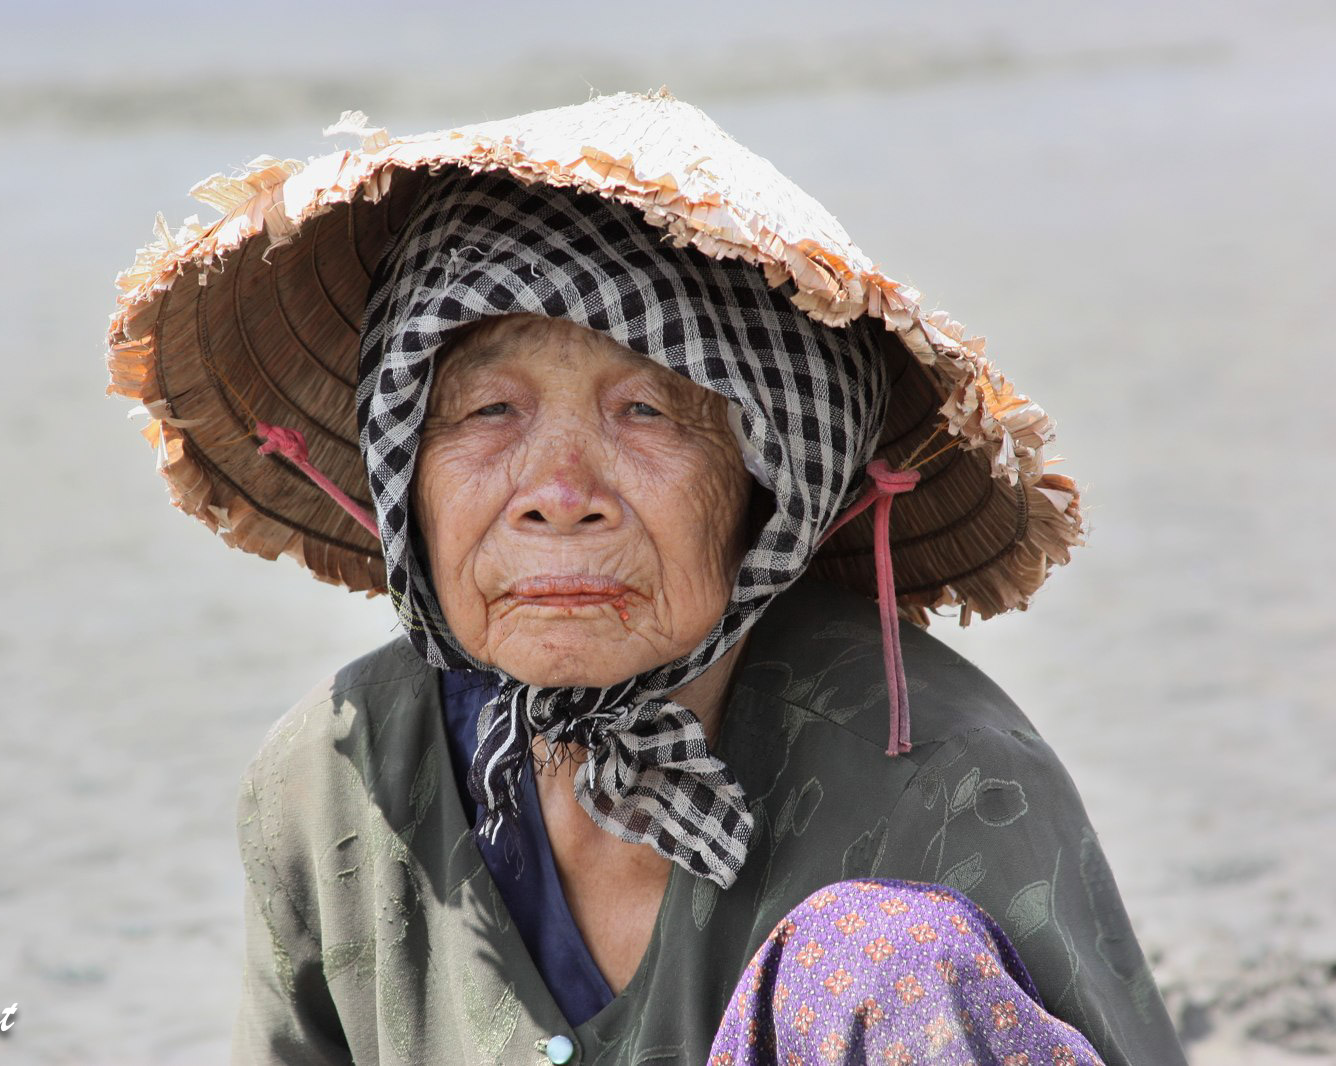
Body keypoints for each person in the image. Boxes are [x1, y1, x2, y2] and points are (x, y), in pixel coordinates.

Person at [105, 91, 1187, 1065]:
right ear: (405, 474)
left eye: (648, 411)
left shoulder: (948, 786)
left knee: (877, 961)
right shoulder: (331, 783)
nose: (557, 491)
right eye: (489, 411)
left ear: (770, 485)